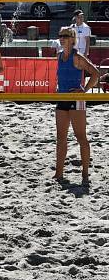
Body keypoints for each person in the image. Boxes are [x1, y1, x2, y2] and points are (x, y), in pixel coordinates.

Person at [53, 27, 100, 184]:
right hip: (62, 98)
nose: (62, 38)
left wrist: (84, 91)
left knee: (81, 137)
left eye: (65, 36)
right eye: (60, 36)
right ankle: (58, 174)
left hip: (76, 100)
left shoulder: (77, 57)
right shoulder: (59, 56)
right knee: (61, 138)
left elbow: (96, 74)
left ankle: (85, 174)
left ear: (72, 39)